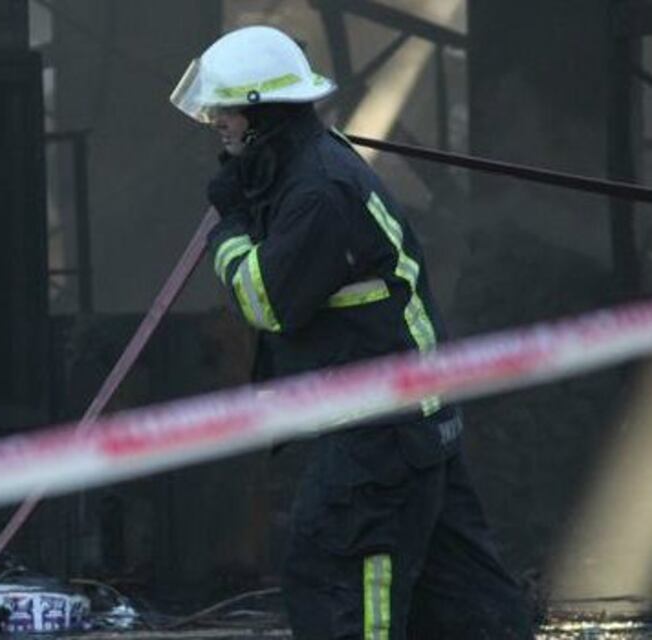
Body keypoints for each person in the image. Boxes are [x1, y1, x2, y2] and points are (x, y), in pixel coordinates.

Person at [170, 25, 534, 639]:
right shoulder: (307, 167)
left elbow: (267, 301)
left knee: (339, 584)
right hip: (409, 421)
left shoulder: (317, 189)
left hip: (379, 430)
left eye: (224, 111)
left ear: (260, 114)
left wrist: (230, 232)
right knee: (468, 608)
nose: (215, 124)